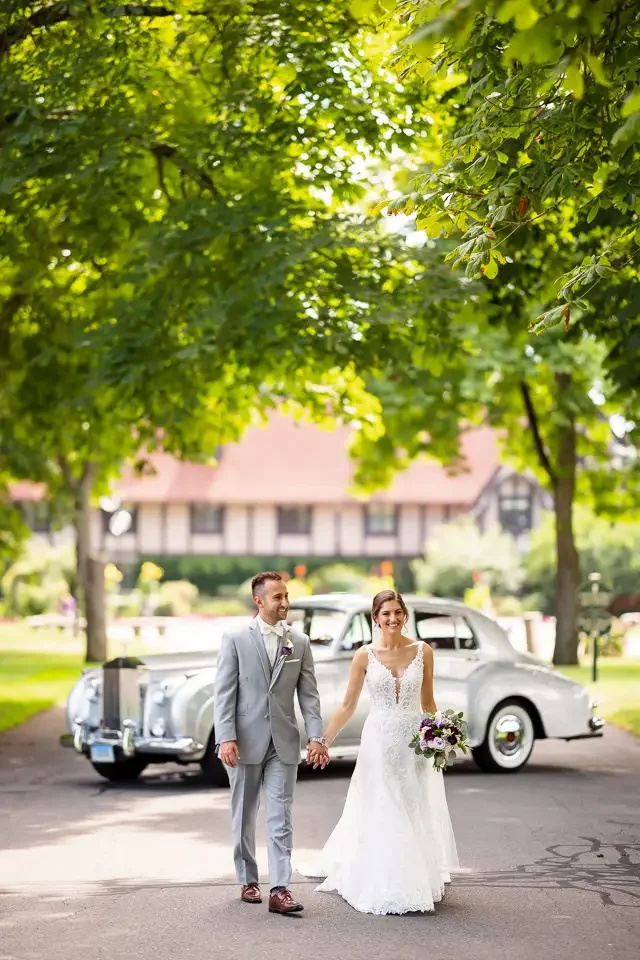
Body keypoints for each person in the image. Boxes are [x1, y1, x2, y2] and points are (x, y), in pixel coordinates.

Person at [301, 589, 459, 915]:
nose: (392, 619)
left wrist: (442, 734)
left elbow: (428, 702)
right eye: (385, 613)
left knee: (411, 802)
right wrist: (323, 740)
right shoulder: (364, 656)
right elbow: (347, 706)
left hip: (414, 740)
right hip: (379, 741)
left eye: (398, 612)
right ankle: (388, 879)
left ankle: (417, 873)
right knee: (385, 804)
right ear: (376, 618)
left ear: (405, 615)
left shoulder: (423, 651)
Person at [214, 571, 330, 914]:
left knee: (281, 816)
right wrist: (226, 737)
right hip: (244, 742)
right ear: (259, 600)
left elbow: (309, 697)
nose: (285, 603)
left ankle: (280, 889)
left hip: (284, 744)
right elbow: (224, 693)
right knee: (244, 814)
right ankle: (248, 878)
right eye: (277, 597)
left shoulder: (300, 642)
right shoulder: (235, 638)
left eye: (286, 596)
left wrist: (316, 737)